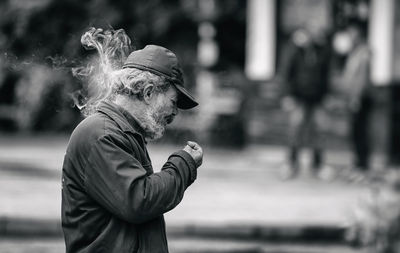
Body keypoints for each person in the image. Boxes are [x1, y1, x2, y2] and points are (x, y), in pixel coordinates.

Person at [61, 44, 203, 252]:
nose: (174, 113)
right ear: (148, 93)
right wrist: (183, 163)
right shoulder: (102, 134)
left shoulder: (123, 132)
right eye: (173, 102)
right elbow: (139, 201)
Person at [277, 27, 331, 180]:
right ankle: (291, 164)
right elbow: (286, 73)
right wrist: (287, 95)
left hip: (318, 98)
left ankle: (318, 165)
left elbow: (325, 75)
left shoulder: (322, 52)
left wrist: (327, 96)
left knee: (319, 131)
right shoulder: (295, 52)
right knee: (295, 130)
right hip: (298, 97)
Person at [340, 22, 372, 180]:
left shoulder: (364, 52)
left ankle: (363, 166)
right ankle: (358, 163)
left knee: (360, 132)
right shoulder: (354, 52)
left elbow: (362, 78)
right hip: (352, 98)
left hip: (359, 99)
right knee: (354, 132)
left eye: (352, 33)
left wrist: (356, 98)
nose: (350, 37)